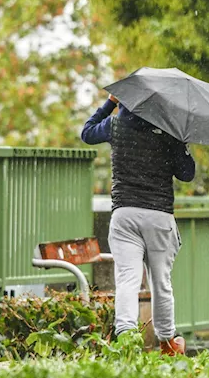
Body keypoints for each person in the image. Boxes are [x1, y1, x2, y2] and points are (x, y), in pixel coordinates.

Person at [81, 93, 196, 356]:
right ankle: (168, 343)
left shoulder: (116, 125)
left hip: (125, 214)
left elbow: (87, 132)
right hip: (159, 216)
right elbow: (187, 174)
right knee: (161, 282)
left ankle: (126, 340)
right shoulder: (169, 130)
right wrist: (182, 141)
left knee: (127, 280)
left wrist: (110, 103)